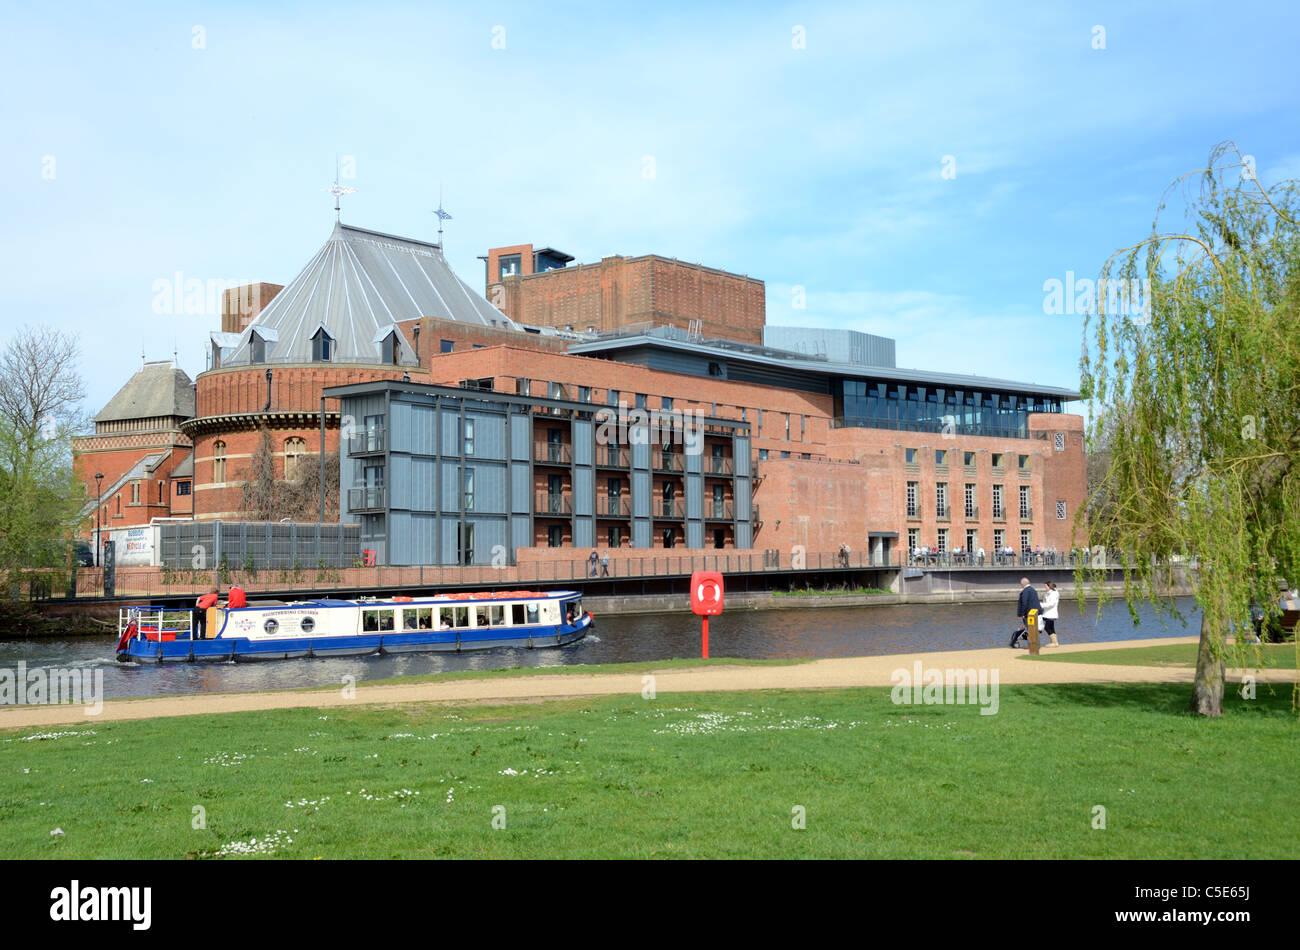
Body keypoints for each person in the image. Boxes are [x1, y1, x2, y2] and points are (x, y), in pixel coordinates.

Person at [1009, 576, 1041, 648]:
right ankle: (1036, 644)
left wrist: (1022, 613)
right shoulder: (1033, 590)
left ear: (1023, 584)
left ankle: (1031, 645)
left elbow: (1024, 603)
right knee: (1034, 629)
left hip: (1028, 614)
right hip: (1035, 613)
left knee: (1029, 629)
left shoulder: (1025, 591)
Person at [1040, 580, 1060, 646]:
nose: (1045, 587)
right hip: (1047, 613)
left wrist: (1041, 605)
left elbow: (1051, 604)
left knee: (1047, 628)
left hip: (1051, 613)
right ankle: (1055, 642)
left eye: (1045, 586)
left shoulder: (1054, 593)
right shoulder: (1048, 593)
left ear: (1049, 586)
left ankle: (1054, 642)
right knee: (1051, 628)